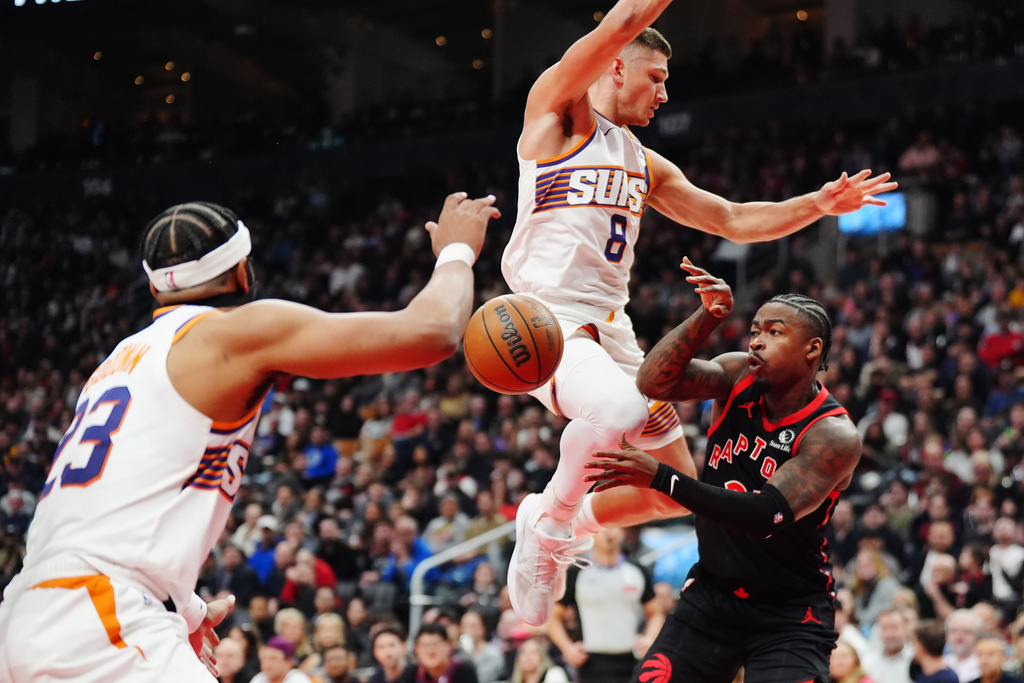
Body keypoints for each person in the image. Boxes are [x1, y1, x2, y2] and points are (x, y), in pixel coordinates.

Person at [500, 0, 897, 627]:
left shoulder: (644, 163)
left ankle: (565, 518)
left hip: (609, 326)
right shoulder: (560, 115)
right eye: (655, 77)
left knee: (670, 492)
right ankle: (550, 523)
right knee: (622, 407)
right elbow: (621, 23)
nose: (664, 91)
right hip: (543, 319)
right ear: (617, 67)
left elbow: (732, 219)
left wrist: (818, 204)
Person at [0, 193, 500, 682]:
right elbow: (433, 331)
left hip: (29, 607)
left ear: (155, 290)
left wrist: (184, 608)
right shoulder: (232, 333)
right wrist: (457, 252)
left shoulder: (117, 361)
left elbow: (102, 513)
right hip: (100, 617)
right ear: (243, 271)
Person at [583, 260, 863, 682]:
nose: (757, 342)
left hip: (789, 611)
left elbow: (763, 515)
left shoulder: (833, 434)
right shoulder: (736, 375)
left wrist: (661, 477)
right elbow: (652, 383)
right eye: (754, 330)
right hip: (712, 596)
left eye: (774, 332)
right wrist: (705, 317)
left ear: (813, 349)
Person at [547, 527, 664, 683]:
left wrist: (650, 639)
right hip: (591, 663)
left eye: (614, 526)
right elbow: (553, 615)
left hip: (632, 660)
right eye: (603, 528)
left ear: (623, 532)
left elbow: (656, 612)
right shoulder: (577, 573)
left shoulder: (637, 571)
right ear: (592, 533)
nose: (609, 532)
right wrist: (567, 647)